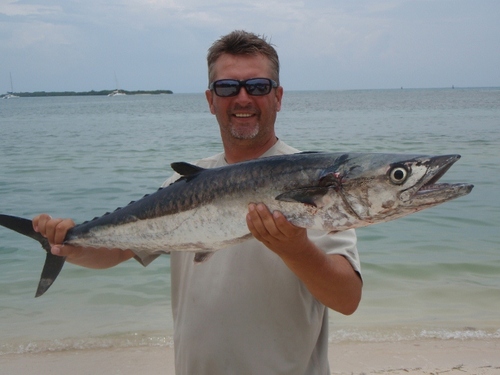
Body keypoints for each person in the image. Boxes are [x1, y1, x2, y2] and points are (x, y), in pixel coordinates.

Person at [33, 30, 363, 374]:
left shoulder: (316, 181)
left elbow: (347, 298)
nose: (243, 98)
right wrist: (68, 245)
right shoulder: (182, 184)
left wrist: (296, 249)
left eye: (258, 86)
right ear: (210, 100)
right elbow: (117, 251)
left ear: (278, 97)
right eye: (227, 87)